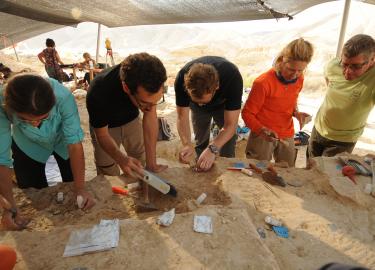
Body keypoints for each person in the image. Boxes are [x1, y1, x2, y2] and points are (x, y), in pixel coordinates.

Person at [0, 74, 95, 230]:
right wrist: (10, 208)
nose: (35, 123)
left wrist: (81, 189)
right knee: (32, 189)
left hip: (61, 141)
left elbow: (74, 145)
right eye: (26, 120)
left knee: (72, 183)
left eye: (43, 118)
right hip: (27, 144)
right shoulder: (2, 103)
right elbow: (2, 159)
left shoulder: (63, 97)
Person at [86, 52, 167, 177]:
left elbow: (150, 117)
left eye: (155, 102)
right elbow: (102, 135)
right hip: (106, 128)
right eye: (145, 103)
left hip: (131, 120)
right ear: (126, 88)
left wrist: (151, 164)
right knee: (107, 169)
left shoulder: (150, 74)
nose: (151, 108)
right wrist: (121, 159)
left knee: (141, 162)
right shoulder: (98, 91)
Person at [242, 38, 314, 166]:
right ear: (281, 61)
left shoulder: (299, 79)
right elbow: (247, 114)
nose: (295, 75)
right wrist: (261, 130)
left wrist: (296, 113)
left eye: (300, 70)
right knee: (259, 170)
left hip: (286, 132)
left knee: (287, 170)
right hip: (262, 135)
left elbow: (291, 100)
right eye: (291, 69)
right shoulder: (263, 83)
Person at [307, 34, 375, 161]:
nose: (347, 71)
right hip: (318, 129)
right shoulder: (333, 66)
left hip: (343, 141)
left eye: (356, 66)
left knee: (327, 177)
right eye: (344, 64)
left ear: (372, 60)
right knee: (310, 169)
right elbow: (329, 80)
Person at [175, 56, 243, 171]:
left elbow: (230, 125)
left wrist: (213, 148)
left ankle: (227, 167)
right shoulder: (181, 78)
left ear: (216, 87)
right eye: (197, 101)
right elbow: (182, 117)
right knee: (200, 138)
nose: (201, 105)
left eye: (203, 102)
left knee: (228, 141)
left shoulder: (232, 77)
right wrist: (186, 144)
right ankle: (200, 166)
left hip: (223, 105)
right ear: (187, 89)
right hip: (199, 107)